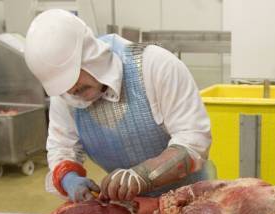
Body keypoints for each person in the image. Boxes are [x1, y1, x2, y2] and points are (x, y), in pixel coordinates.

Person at [24, 9, 213, 202]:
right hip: (133, 207)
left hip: (190, 200)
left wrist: (145, 174)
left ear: (89, 57)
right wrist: (69, 179)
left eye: (73, 79)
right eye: (64, 87)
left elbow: (193, 141)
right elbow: (61, 147)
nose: (72, 90)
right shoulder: (66, 94)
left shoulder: (155, 65)